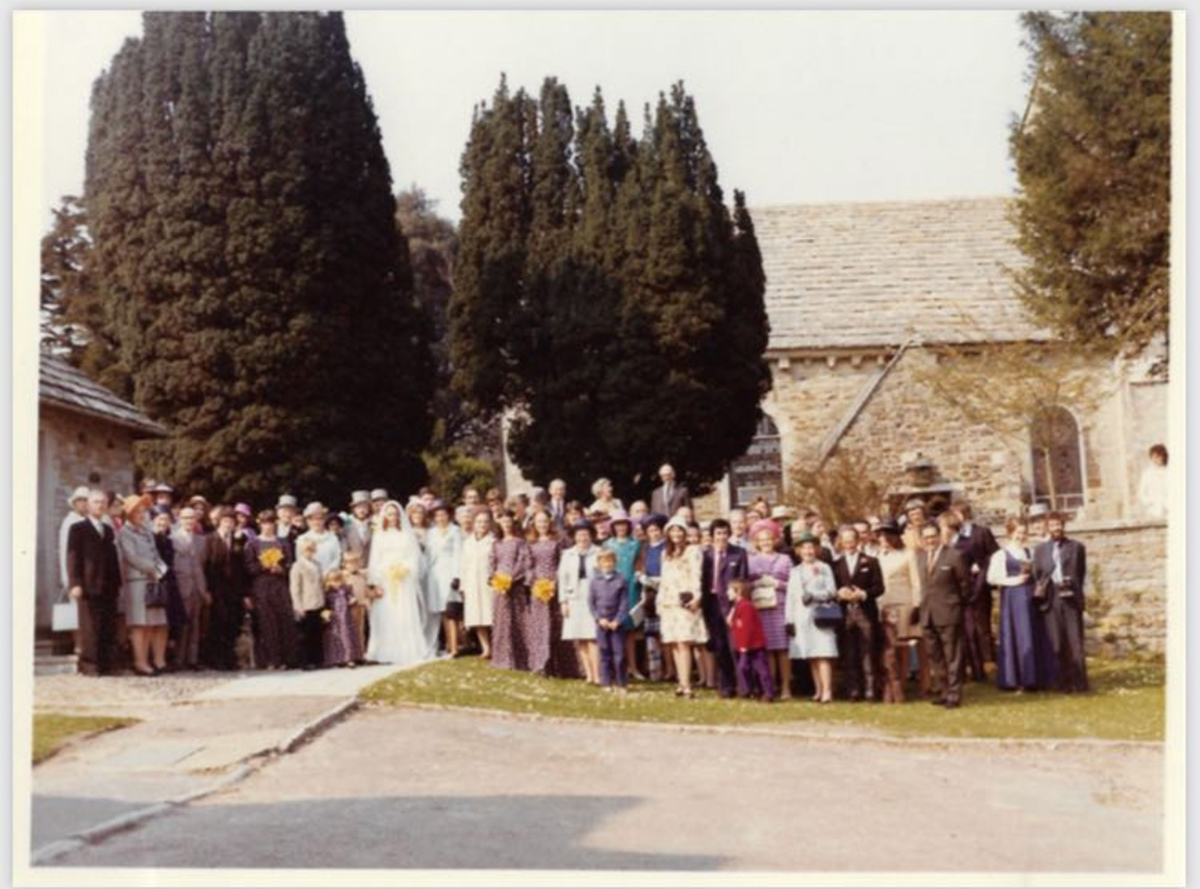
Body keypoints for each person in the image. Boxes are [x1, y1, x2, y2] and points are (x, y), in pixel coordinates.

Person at [989, 518, 1053, 693]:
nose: (1021, 536)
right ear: (1010, 533)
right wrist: (1014, 580)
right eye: (1018, 533)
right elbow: (992, 578)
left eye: (1024, 533)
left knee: (1032, 634)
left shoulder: (1029, 552)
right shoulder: (1001, 554)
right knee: (1017, 636)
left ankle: (1035, 678)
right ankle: (1017, 679)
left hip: (1030, 598)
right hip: (1013, 599)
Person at [365, 500, 429, 667]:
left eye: (395, 514)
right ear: (384, 516)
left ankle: (407, 648)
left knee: (404, 611)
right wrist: (376, 580)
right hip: (386, 578)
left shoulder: (406, 534)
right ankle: (386, 650)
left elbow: (414, 556)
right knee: (386, 613)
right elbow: (375, 559)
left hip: (403, 579)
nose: (392, 517)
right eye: (389, 514)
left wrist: (405, 568)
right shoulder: (379, 534)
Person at [1032, 513, 1089, 693]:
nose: (1056, 528)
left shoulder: (1076, 547)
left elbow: (1081, 573)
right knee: (1056, 643)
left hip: (1071, 598)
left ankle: (1080, 684)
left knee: (1075, 642)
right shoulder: (1041, 550)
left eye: (1059, 525)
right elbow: (1037, 574)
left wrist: (1071, 585)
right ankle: (1062, 683)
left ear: (1064, 526)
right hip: (1051, 598)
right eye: (1052, 525)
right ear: (1047, 527)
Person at [915, 523, 971, 708]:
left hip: (949, 613)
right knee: (935, 656)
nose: (930, 540)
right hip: (928, 614)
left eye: (933, 536)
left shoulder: (954, 555)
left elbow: (965, 585)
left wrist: (955, 605)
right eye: (926, 537)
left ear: (939, 536)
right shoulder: (921, 557)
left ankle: (955, 694)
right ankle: (944, 690)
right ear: (922, 539)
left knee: (952, 655)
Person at [116, 494, 169, 676]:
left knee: (150, 624)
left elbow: (155, 554)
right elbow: (131, 557)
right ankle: (140, 662)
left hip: (152, 580)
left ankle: (147, 661)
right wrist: (153, 569)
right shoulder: (125, 532)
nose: (142, 514)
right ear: (129, 514)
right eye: (138, 511)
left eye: (143, 511)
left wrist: (162, 569)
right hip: (137, 582)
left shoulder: (147, 532)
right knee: (139, 624)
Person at [831, 526, 884, 701]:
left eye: (851, 540)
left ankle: (870, 690)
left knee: (868, 651)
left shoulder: (871, 561)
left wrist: (863, 594)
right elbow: (833, 588)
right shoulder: (836, 564)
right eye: (845, 541)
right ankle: (853, 690)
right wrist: (840, 593)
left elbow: (879, 587)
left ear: (857, 541)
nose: (848, 544)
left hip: (865, 611)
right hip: (845, 613)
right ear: (841, 542)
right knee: (849, 652)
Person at [785, 532, 839, 703]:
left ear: (816, 549)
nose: (808, 551)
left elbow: (832, 591)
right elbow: (791, 597)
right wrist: (789, 621)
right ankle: (818, 690)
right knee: (812, 655)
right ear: (798, 551)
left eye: (811, 547)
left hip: (820, 614)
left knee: (823, 653)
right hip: (802, 616)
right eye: (804, 548)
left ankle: (828, 691)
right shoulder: (795, 571)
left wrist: (815, 595)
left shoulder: (824, 567)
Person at [658, 516, 707, 698]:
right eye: (672, 530)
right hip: (669, 602)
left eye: (679, 530)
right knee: (675, 644)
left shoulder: (693, 551)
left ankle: (687, 685)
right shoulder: (666, 554)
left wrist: (696, 596)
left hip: (685, 601)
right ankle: (681, 682)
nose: (676, 534)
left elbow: (697, 575)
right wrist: (659, 602)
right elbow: (664, 580)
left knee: (684, 642)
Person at [875, 521, 925, 700]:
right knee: (886, 648)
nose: (883, 539)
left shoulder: (907, 555)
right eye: (880, 536)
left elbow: (916, 582)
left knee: (902, 647)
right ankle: (887, 684)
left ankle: (901, 686)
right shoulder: (876, 555)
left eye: (886, 535)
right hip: (881, 604)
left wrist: (917, 605)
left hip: (903, 604)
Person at [951, 500, 1000, 679]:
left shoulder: (981, 533)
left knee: (982, 627)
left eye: (956, 515)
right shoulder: (953, 537)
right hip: (961, 587)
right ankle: (973, 667)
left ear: (964, 515)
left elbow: (995, 555)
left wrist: (981, 566)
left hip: (980, 587)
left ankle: (989, 664)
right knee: (967, 629)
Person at [244, 510, 298, 670]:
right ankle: (270, 660)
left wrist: (282, 569)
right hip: (261, 586)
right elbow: (248, 567)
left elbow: (291, 564)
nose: (268, 526)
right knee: (267, 623)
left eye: (271, 523)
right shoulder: (252, 543)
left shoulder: (282, 542)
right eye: (265, 523)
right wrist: (263, 566)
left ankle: (286, 659)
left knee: (284, 621)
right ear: (260, 524)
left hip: (280, 585)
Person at [700, 519, 748, 698]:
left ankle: (743, 685)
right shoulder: (706, 555)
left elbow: (743, 582)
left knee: (735, 645)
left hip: (731, 605)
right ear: (712, 536)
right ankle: (726, 686)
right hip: (711, 604)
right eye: (718, 533)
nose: (721, 537)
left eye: (724, 533)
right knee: (719, 646)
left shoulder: (739, 554)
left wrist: (736, 608)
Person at [746, 520, 793, 699]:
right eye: (762, 540)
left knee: (782, 649)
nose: (766, 543)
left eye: (769, 539)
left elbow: (794, 584)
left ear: (774, 540)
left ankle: (786, 687)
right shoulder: (751, 561)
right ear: (757, 542)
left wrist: (777, 583)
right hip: (761, 608)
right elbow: (745, 584)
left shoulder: (785, 559)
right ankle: (770, 686)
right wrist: (755, 583)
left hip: (780, 606)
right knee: (767, 649)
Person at [526, 509, 575, 677]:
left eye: (545, 521)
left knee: (556, 627)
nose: (542, 525)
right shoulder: (531, 542)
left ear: (550, 522)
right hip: (538, 589)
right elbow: (528, 566)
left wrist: (555, 581)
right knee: (540, 627)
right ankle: (541, 664)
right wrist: (534, 582)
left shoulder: (558, 541)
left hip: (555, 586)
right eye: (539, 522)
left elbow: (563, 563)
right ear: (534, 524)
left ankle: (560, 666)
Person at [558, 522, 602, 684]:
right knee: (580, 637)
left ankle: (597, 674)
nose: (582, 538)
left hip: (593, 597)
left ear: (591, 535)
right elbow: (562, 579)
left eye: (585, 534)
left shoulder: (598, 552)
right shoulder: (567, 554)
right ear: (574, 537)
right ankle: (588, 674)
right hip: (574, 597)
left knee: (593, 637)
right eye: (579, 535)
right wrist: (563, 601)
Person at [204, 506, 247, 671]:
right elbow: (206, 566)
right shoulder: (210, 539)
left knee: (232, 623)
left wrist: (244, 593)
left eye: (231, 521)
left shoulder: (237, 540)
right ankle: (216, 659)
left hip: (233, 590)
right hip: (216, 588)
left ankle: (230, 658)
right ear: (219, 522)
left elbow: (240, 567)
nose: (229, 524)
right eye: (226, 521)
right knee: (217, 624)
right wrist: (207, 589)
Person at [489, 509, 532, 671]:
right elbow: (492, 562)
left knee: (517, 619)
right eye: (503, 522)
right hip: (499, 587)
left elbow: (523, 562)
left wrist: (511, 579)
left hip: (515, 586)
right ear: (499, 524)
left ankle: (520, 657)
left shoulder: (520, 542)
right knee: (501, 620)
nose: (506, 525)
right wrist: (495, 578)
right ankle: (502, 657)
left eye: (509, 522)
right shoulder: (496, 543)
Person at [604, 510, 643, 681]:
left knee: (630, 632)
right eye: (617, 524)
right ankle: (614, 668)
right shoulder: (607, 545)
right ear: (613, 526)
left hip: (631, 589)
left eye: (624, 524)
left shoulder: (635, 545)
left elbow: (639, 565)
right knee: (612, 629)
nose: (621, 527)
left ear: (628, 526)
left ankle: (633, 667)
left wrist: (639, 575)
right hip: (612, 590)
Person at [170, 506, 210, 670]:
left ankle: (192, 659)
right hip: (181, 585)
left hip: (197, 586)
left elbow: (203, 565)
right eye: (185, 518)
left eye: (192, 518)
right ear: (180, 520)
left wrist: (204, 588)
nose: (189, 521)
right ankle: (179, 660)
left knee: (195, 625)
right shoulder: (172, 538)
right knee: (182, 625)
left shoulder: (201, 540)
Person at [727, 578, 775, 701]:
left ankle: (768, 693)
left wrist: (744, 646)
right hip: (746, 645)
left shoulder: (746, 606)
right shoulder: (738, 606)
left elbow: (747, 628)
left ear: (738, 592)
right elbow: (735, 625)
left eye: (730, 590)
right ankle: (747, 690)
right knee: (743, 668)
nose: (727, 593)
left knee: (761, 670)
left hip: (753, 646)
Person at [426, 502, 463, 658]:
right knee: (442, 610)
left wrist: (457, 575)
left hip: (450, 571)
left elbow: (458, 553)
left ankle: (456, 646)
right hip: (435, 573)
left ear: (449, 515)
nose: (441, 518)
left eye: (443, 514)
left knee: (451, 610)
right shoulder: (432, 532)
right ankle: (448, 644)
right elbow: (428, 554)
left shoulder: (455, 531)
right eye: (437, 515)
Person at [589, 549, 630, 692]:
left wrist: (618, 620)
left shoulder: (621, 579)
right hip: (602, 623)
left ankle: (621, 683)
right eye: (604, 561)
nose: (607, 564)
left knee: (619, 654)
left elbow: (624, 603)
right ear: (599, 564)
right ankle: (606, 682)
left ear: (615, 562)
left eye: (610, 561)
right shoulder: (595, 581)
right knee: (604, 653)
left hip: (616, 623)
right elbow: (591, 603)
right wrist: (599, 619)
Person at [635, 513, 669, 682]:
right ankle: (656, 669)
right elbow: (640, 568)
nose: (654, 533)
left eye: (657, 530)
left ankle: (671, 669)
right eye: (650, 530)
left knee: (666, 634)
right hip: (649, 593)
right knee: (652, 634)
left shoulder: (667, 547)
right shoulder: (645, 549)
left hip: (665, 591)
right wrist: (641, 577)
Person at [460, 508, 496, 659]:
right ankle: (486, 648)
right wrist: (463, 587)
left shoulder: (494, 540)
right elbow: (463, 565)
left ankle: (498, 647)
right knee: (477, 616)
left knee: (492, 615)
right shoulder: (468, 542)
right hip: (472, 583)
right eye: (479, 521)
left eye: (485, 521)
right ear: (474, 523)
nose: (482, 524)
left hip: (489, 583)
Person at [290, 538, 325, 670]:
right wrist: (298, 605)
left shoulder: (317, 564)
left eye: (311, 549)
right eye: (306, 550)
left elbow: (321, 583)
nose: (309, 552)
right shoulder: (297, 566)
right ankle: (305, 661)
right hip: (305, 603)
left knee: (317, 633)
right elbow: (295, 587)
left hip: (318, 601)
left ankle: (317, 660)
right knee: (305, 635)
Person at [322, 569, 363, 668]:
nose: (336, 583)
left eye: (338, 580)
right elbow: (325, 606)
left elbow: (352, 598)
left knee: (347, 637)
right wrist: (326, 614)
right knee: (335, 638)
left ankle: (350, 658)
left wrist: (353, 600)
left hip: (345, 617)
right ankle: (337, 659)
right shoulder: (327, 592)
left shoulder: (346, 589)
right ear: (328, 581)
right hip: (334, 618)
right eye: (333, 581)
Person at [341, 550, 372, 662]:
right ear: (345, 564)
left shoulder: (362, 575)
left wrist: (371, 595)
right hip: (349, 607)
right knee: (349, 631)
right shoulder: (344, 576)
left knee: (361, 630)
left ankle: (361, 654)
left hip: (361, 605)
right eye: (350, 563)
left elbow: (366, 590)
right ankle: (349, 656)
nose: (353, 565)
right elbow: (340, 591)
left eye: (355, 563)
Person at [297, 503, 342, 579]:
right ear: (308, 521)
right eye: (312, 519)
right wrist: (314, 573)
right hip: (310, 578)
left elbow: (337, 557)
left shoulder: (332, 537)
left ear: (324, 520)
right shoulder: (302, 539)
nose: (316, 522)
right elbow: (301, 559)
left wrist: (327, 573)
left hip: (330, 577)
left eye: (320, 519)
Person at [1137, 444, 1169, 520]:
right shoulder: (1147, 474)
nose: (1157, 459)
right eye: (1154, 457)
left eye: (1159, 456)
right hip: (1153, 510)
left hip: (1169, 509)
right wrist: (1149, 504)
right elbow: (1141, 493)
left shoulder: (1170, 472)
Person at [345, 490, 374, 564]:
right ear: (353, 509)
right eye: (358, 507)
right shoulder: (346, 525)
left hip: (371, 565)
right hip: (353, 567)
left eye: (364, 507)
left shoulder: (373, 524)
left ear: (369, 509)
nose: (362, 510)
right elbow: (344, 549)